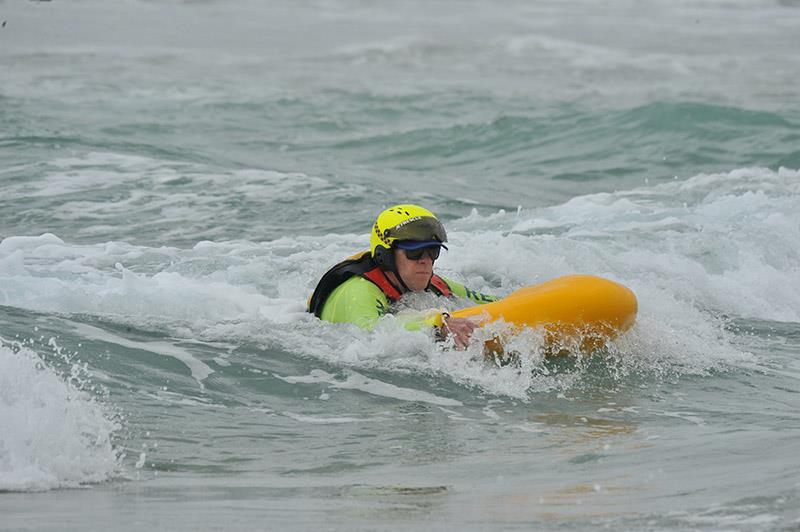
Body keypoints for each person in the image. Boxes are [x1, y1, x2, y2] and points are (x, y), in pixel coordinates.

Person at [307, 204, 498, 348]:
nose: (426, 261)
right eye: (414, 253)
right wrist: (438, 325)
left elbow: (490, 303)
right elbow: (374, 333)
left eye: (432, 252)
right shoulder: (360, 290)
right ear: (386, 256)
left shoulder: (434, 283)